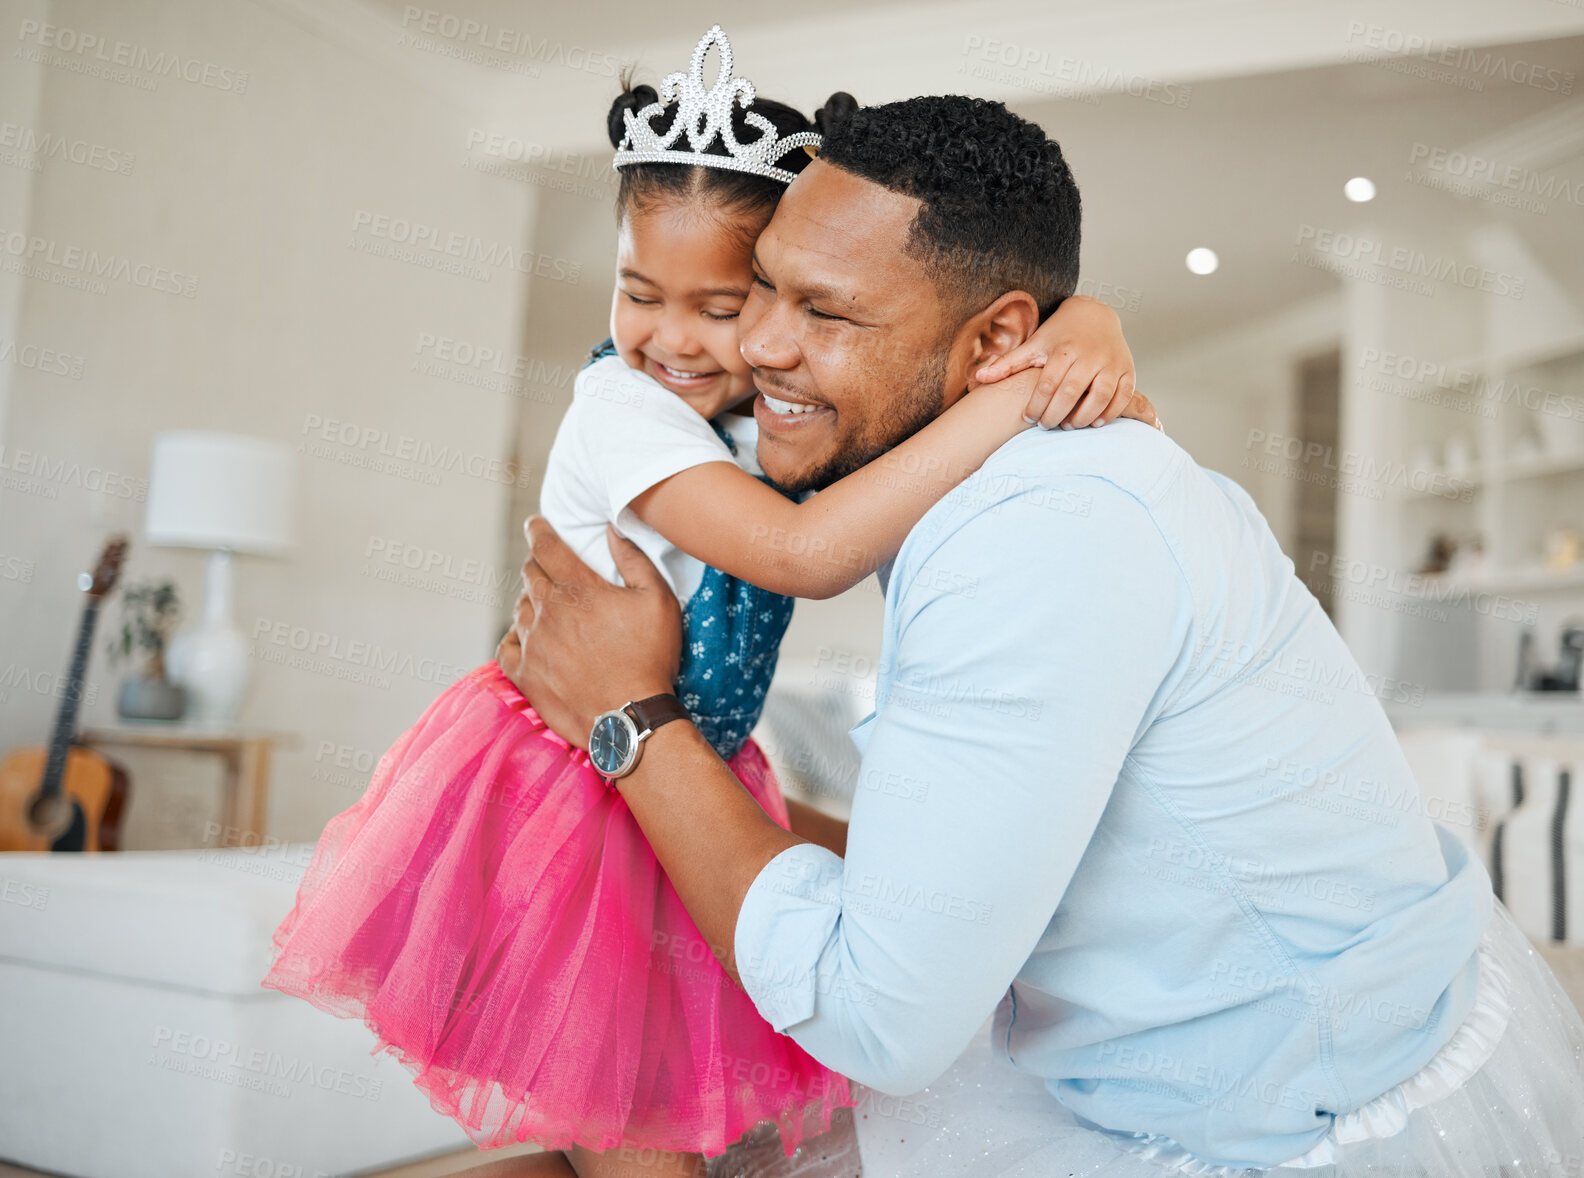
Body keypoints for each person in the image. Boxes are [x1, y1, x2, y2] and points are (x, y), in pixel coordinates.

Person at [495, 94, 1584, 1177]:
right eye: (761, 292)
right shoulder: (980, 465)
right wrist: (1082, 320)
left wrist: (628, 716)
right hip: (1255, 1016)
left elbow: (877, 1016)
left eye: (825, 313)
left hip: (1275, 1108)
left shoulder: (1032, 543)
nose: (760, 349)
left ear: (996, 341)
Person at [263, 28, 1157, 1178]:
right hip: (573, 793)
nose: (673, 338)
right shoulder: (618, 412)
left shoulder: (769, 418)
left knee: (687, 1115)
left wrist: (1085, 320)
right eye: (641, 293)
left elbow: (917, 402)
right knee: (629, 1119)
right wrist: (1027, 389)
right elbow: (799, 551)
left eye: (721, 306)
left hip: (689, 771)